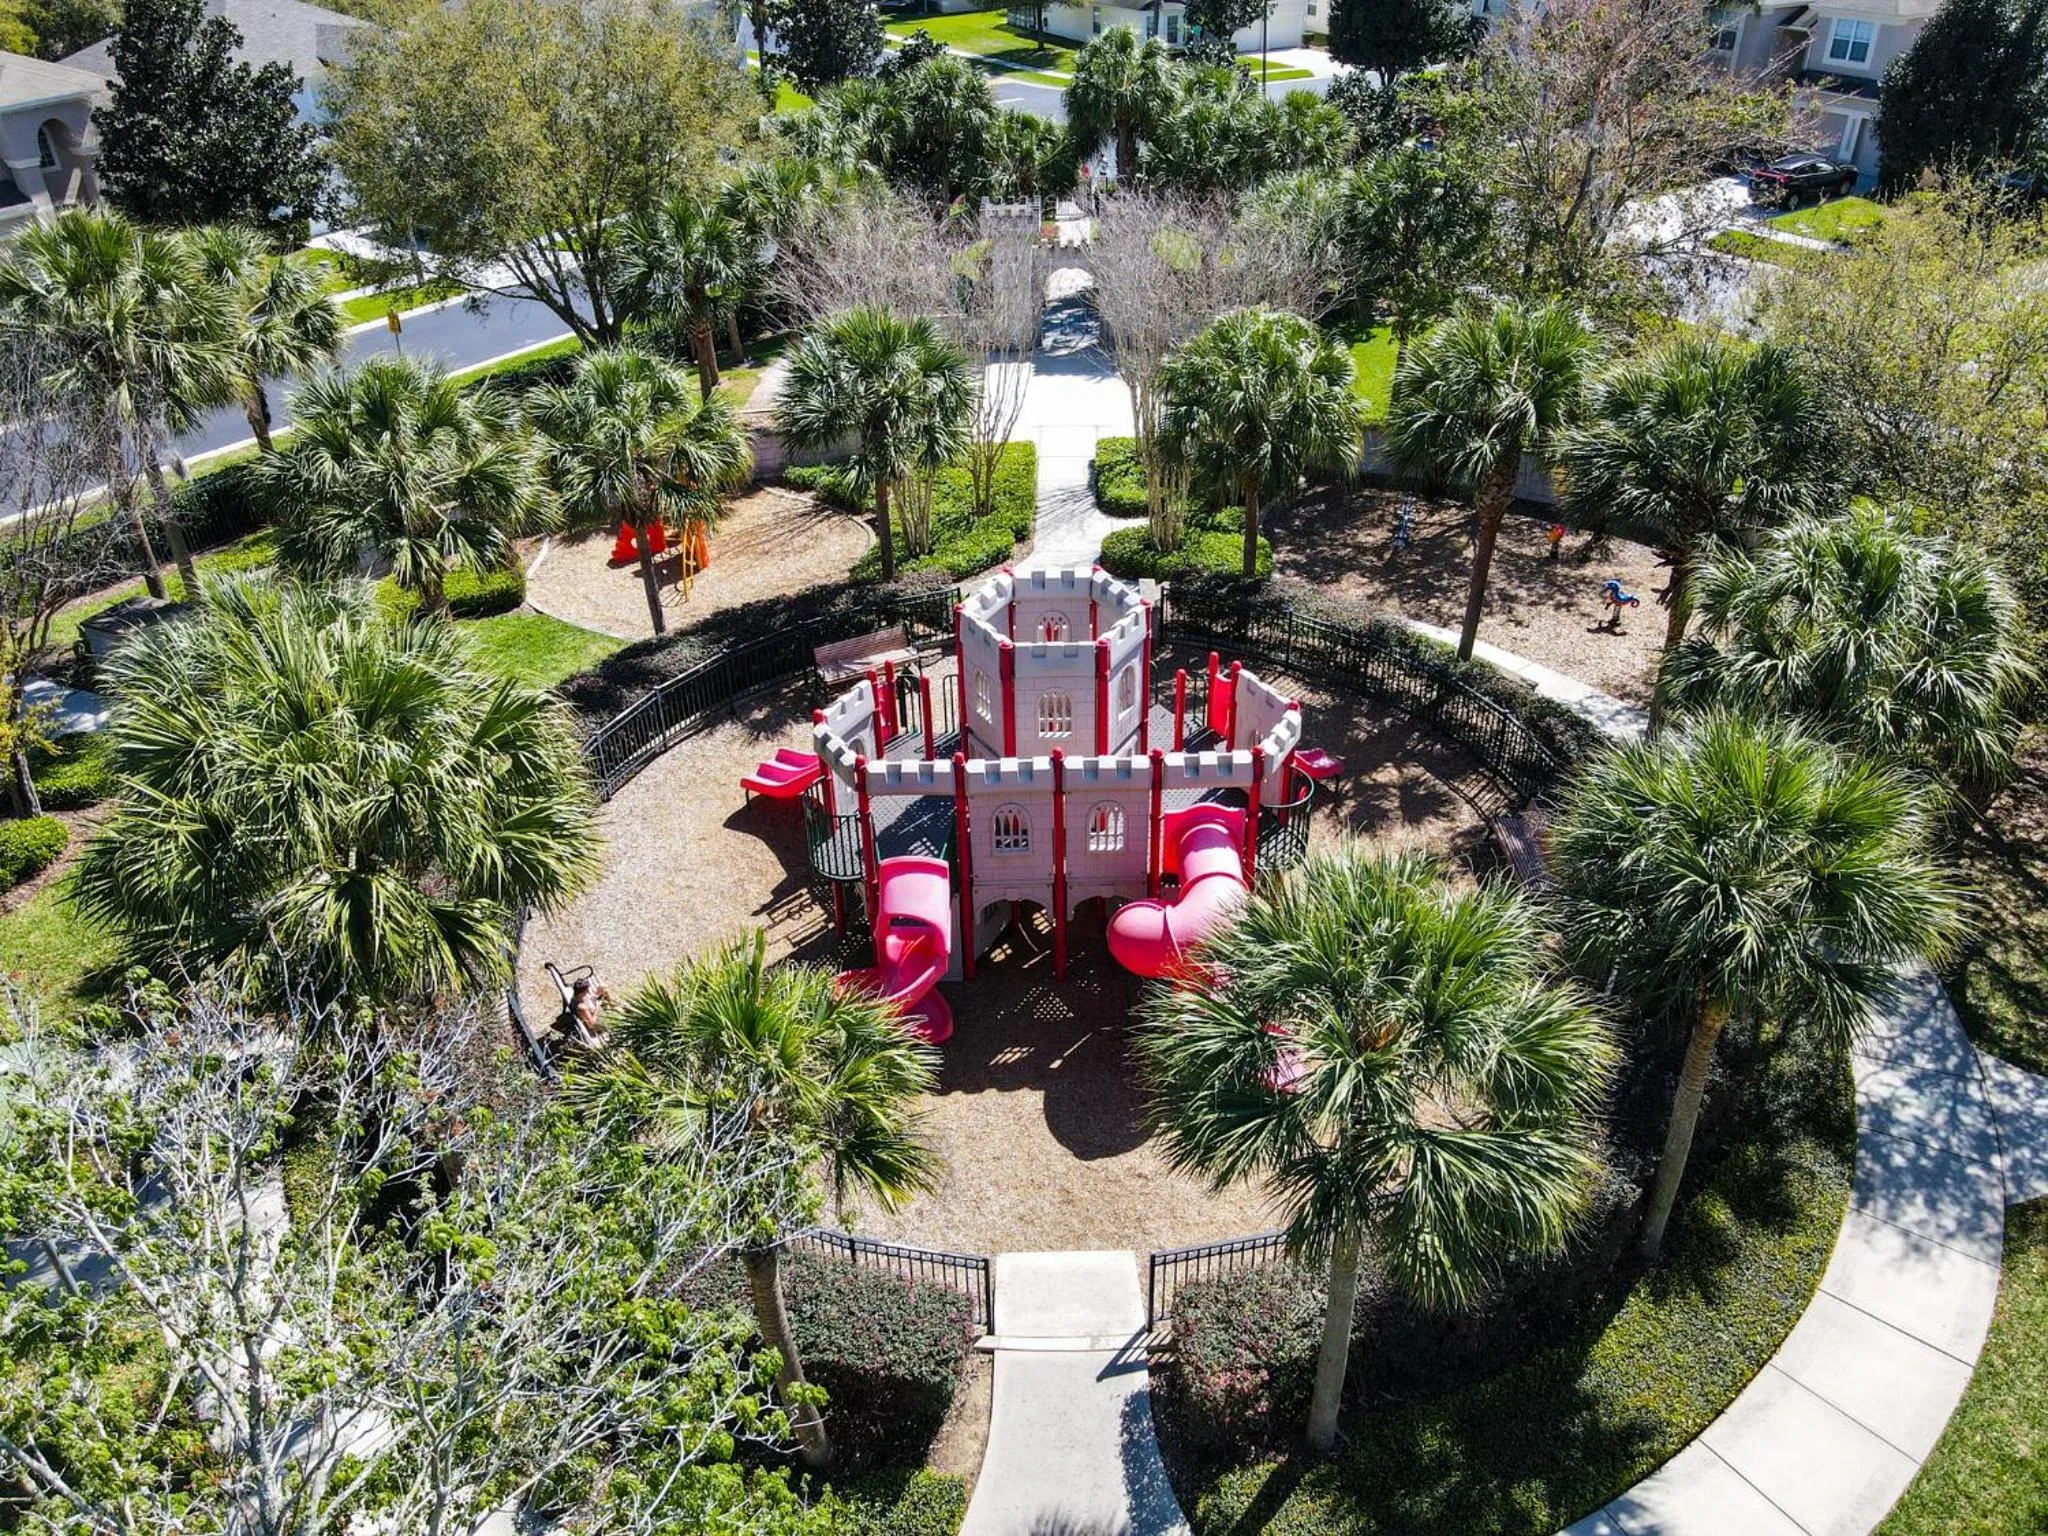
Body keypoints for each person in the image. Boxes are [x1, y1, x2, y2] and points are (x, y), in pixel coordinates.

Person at [567, 976, 612, 1048]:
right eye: (587, 990)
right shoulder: (581, 1007)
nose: (588, 991)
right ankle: (616, 1010)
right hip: (598, 1021)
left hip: (592, 1008)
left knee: (604, 988)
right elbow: (592, 1025)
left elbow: (587, 1000)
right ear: (582, 992)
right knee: (606, 997)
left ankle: (613, 1006)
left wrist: (596, 996)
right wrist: (597, 1007)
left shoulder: (576, 998)